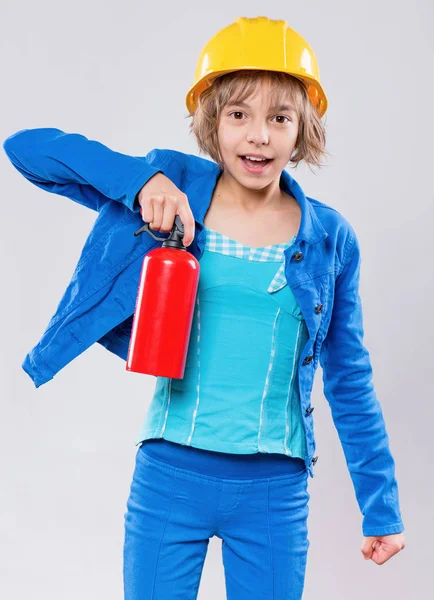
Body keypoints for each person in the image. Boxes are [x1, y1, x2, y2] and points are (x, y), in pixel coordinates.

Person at [3, 15, 405, 600]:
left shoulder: (329, 239)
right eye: (238, 114)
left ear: (304, 129)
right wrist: (140, 182)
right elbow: (25, 149)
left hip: (275, 490)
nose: (258, 137)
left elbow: (350, 379)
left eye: (279, 118)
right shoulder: (171, 193)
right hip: (170, 475)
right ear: (211, 119)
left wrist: (382, 508)